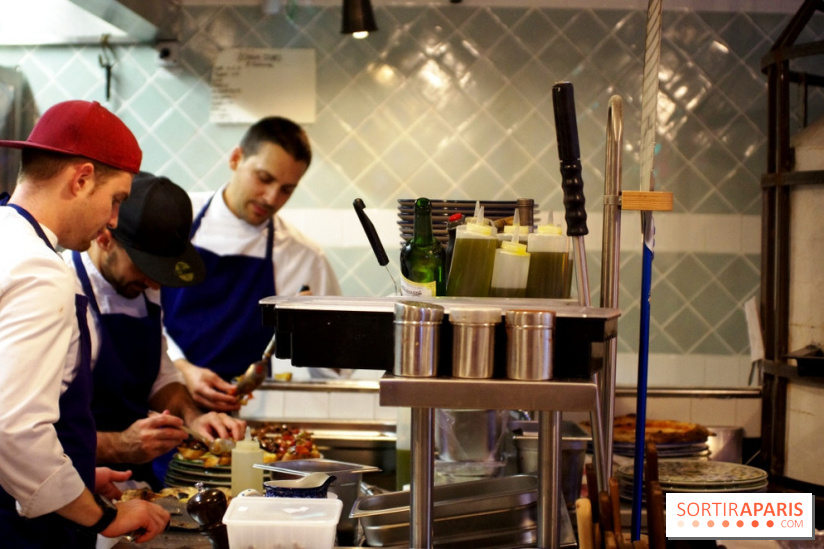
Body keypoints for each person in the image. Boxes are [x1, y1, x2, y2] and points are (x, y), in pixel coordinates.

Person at [0, 100, 169, 547]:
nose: (112, 220)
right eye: (115, 200)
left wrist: (72, 476)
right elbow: (13, 430)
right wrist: (99, 517)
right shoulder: (39, 271)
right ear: (81, 179)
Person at [64, 171, 248, 491]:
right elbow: (29, 435)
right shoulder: (62, 292)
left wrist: (193, 418)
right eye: (147, 269)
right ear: (105, 238)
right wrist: (119, 445)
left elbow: (161, 372)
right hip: (68, 490)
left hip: (137, 490)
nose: (155, 283)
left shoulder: (142, 288)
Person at [161, 116, 344, 412]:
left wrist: (313, 335)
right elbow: (143, 317)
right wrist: (181, 368)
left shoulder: (304, 257)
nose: (272, 197)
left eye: (287, 189)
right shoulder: (175, 222)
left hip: (247, 421)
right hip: (165, 408)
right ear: (236, 159)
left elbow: (333, 368)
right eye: (264, 178)